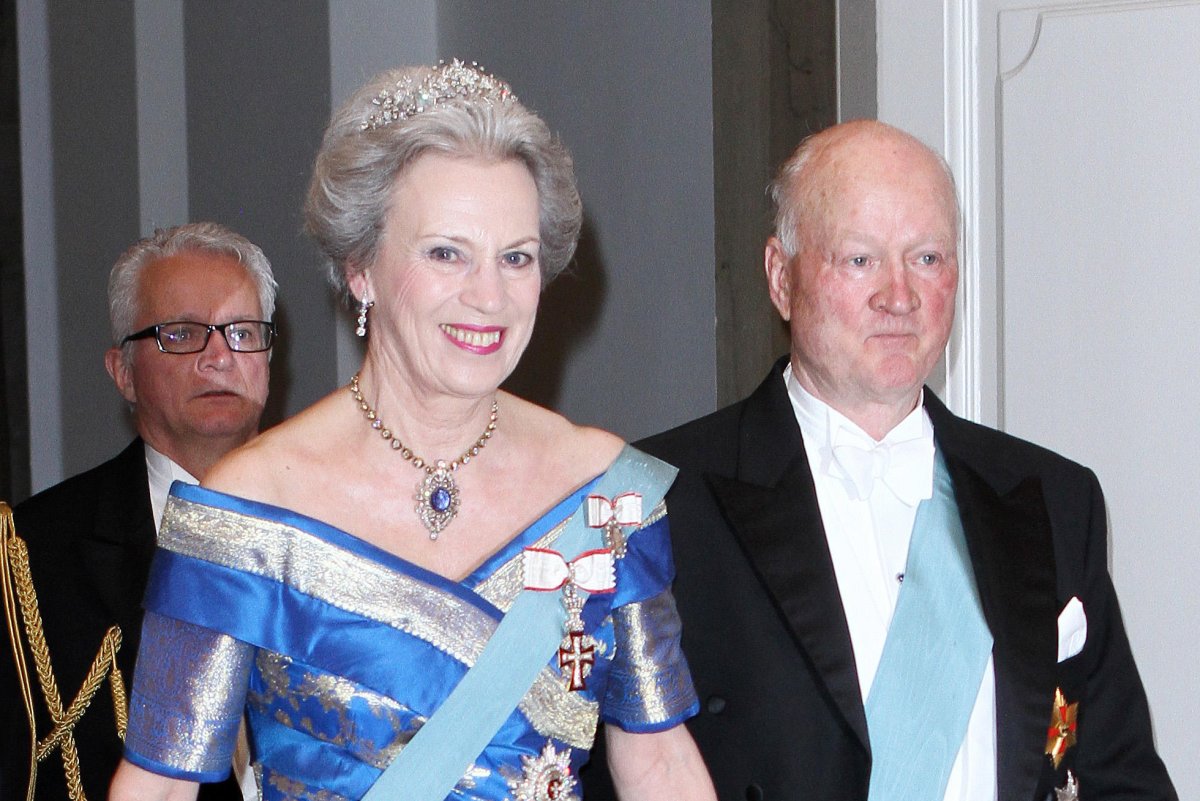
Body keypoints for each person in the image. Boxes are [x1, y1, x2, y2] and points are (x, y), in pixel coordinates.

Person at [108, 61, 715, 801]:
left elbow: (659, 762)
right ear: (360, 268)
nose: (488, 296)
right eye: (445, 253)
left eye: (516, 258)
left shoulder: (604, 495)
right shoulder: (248, 508)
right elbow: (161, 787)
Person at [586, 120, 1177, 801]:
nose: (899, 296)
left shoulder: (1053, 497)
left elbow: (1120, 777)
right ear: (780, 277)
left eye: (926, 257)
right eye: (860, 259)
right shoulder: (656, 501)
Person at [0, 222, 276, 801]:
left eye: (243, 333)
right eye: (182, 334)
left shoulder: (342, 524)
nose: (219, 357)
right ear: (123, 373)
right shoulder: (32, 554)